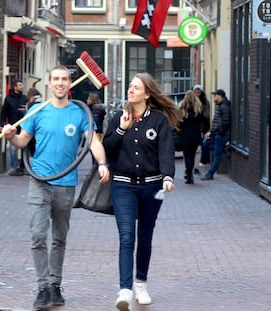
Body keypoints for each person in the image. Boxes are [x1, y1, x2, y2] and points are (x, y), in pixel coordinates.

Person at [1, 65, 110, 310]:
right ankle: (42, 287)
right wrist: (10, 136)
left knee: (59, 239)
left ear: (70, 83)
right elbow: (22, 142)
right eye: (56, 79)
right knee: (38, 236)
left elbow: (92, 142)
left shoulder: (79, 113)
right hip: (39, 183)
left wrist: (102, 163)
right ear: (49, 83)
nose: (60, 83)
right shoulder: (37, 111)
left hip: (66, 185)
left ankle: (55, 285)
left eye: (64, 79)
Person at [103, 73, 180, 310]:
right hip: (123, 184)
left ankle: (141, 283)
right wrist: (121, 130)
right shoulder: (119, 117)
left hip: (152, 186)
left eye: (136, 87)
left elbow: (166, 152)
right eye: (130, 86)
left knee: (145, 236)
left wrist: (168, 177)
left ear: (147, 93)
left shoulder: (158, 121)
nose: (131, 90)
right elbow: (107, 149)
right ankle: (124, 290)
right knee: (127, 236)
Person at [0, 79, 27, 176]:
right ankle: (14, 167)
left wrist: (24, 110)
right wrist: (1, 124)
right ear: (15, 87)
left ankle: (23, 167)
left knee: (24, 147)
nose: (22, 87)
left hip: (23, 126)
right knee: (13, 148)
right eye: (20, 85)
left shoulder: (24, 98)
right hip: (12, 126)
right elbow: (3, 113)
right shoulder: (8, 99)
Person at [201, 89, 231, 180]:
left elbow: (226, 122)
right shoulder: (221, 106)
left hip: (221, 135)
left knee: (216, 154)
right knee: (205, 145)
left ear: (220, 96)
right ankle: (225, 151)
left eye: (215, 95)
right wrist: (210, 132)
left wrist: (218, 134)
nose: (213, 97)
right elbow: (217, 122)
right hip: (217, 134)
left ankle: (210, 173)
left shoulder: (224, 107)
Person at [177, 90, 204, 184]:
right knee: (192, 156)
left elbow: (178, 123)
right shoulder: (198, 109)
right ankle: (190, 173)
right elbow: (202, 122)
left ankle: (188, 174)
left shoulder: (182, 109)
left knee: (186, 155)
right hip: (195, 136)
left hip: (184, 136)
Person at [192, 84, 211, 171]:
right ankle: (196, 165)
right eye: (195, 91)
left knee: (203, 144)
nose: (197, 93)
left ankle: (203, 160)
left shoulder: (205, 102)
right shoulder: (191, 101)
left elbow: (206, 115)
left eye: (198, 91)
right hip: (194, 126)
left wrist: (199, 116)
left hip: (203, 126)